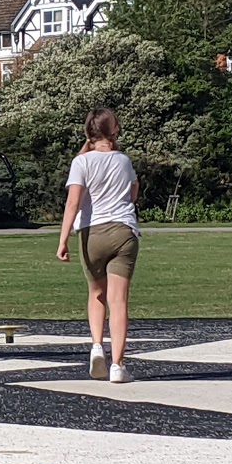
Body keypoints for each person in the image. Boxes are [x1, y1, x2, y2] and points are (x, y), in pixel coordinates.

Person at [56, 108, 140, 382]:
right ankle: (118, 365)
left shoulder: (81, 163)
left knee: (96, 294)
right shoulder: (124, 161)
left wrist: (63, 239)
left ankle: (96, 346)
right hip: (123, 230)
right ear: (114, 131)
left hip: (92, 232)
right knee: (119, 301)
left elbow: (73, 203)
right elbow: (133, 193)